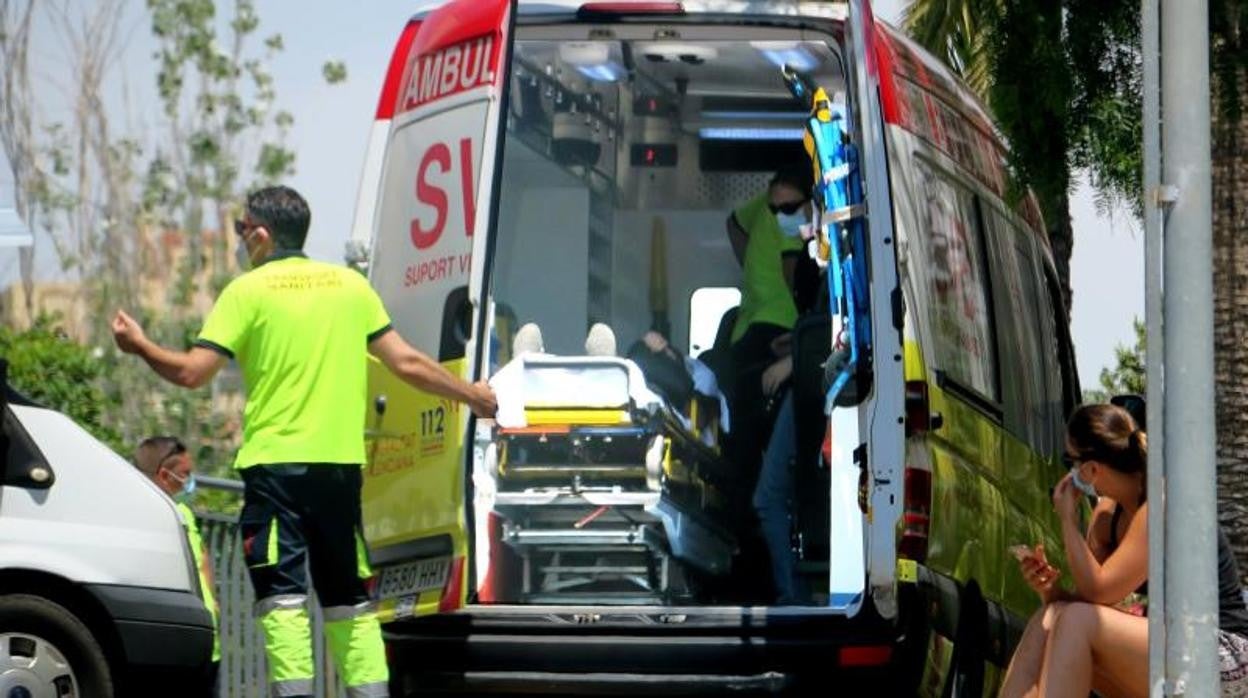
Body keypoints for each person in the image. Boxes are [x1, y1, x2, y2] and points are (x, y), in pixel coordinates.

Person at [112, 186, 497, 698]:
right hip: (339, 471)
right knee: (349, 599)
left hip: (276, 474)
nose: (239, 240)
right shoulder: (349, 287)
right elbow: (406, 362)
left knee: (283, 599)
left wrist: (139, 346)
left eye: (241, 230)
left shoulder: (247, 292)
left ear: (263, 236)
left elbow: (191, 373)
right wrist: (471, 395)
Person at [999, 404, 1248, 697]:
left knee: (1076, 622)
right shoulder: (1107, 516)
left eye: (1071, 460)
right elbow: (1092, 605)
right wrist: (1050, 590)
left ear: (1091, 468)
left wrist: (1067, 518)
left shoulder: (1161, 501)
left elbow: (1099, 592)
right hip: (1169, 650)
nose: (1070, 471)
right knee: (1053, 615)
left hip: (1222, 654)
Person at [133, 436, 220, 696]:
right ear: (164, 474)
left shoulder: (183, 513)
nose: (189, 481)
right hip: (174, 640)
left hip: (204, 639)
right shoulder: (145, 515)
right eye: (185, 474)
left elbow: (202, 559)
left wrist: (213, 603)